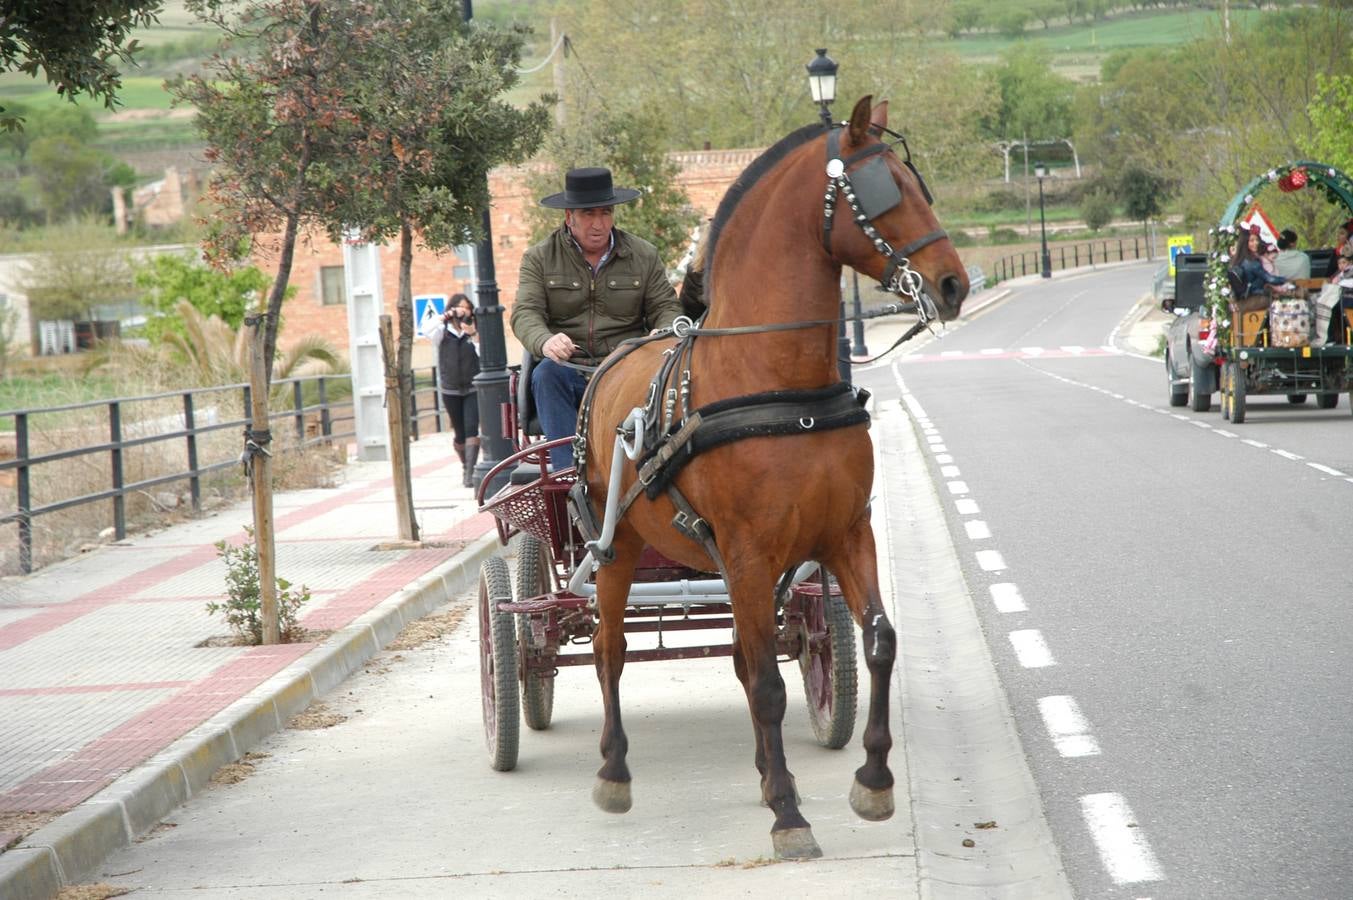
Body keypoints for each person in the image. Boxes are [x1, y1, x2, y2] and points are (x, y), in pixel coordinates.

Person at [510, 167, 681, 470]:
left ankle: (644, 473)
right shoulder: (539, 257)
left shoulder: (644, 255)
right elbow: (525, 313)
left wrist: (664, 333)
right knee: (546, 375)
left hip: (626, 367)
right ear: (569, 217)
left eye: (606, 213)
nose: (599, 224)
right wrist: (546, 341)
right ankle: (569, 478)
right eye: (589, 214)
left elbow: (666, 306)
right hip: (568, 369)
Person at [428, 293, 480, 487]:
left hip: (472, 388)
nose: (462, 311)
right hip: (450, 389)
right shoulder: (443, 332)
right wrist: (446, 315)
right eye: (459, 307)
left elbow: (483, 354)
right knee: (459, 433)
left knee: (471, 428)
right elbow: (425, 329)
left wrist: (473, 333)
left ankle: (470, 472)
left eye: (466, 307)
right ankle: (465, 465)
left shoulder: (475, 330)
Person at [1234, 226, 1295, 299]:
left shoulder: (1240, 260)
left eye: (1257, 240)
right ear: (1245, 243)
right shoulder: (1252, 263)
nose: (1256, 243)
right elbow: (1270, 279)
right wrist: (1286, 280)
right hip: (1255, 297)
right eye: (1252, 241)